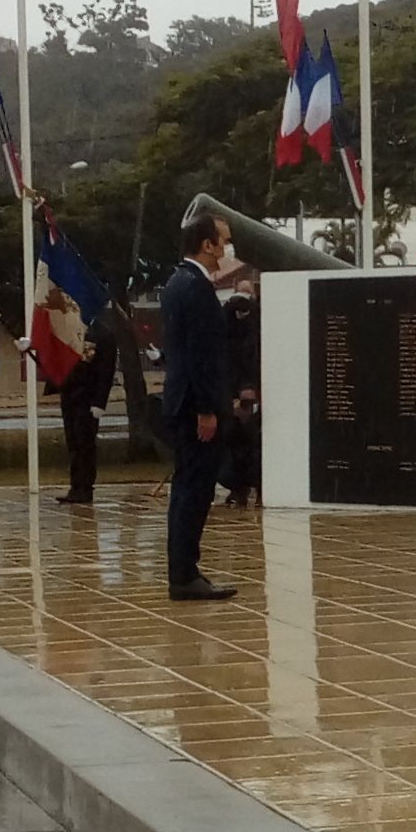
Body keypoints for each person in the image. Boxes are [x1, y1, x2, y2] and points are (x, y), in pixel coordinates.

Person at [157, 212, 238, 601]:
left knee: (187, 489)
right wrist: (207, 410)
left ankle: (185, 569)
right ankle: (184, 574)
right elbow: (201, 357)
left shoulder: (177, 282)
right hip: (195, 407)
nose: (226, 248)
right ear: (207, 244)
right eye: (223, 241)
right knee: (194, 491)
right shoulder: (196, 289)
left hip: (181, 402)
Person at [53, 299, 118, 506]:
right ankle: (75, 486)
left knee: (85, 444)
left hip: (89, 399)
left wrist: (100, 402)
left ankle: (86, 488)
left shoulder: (103, 334)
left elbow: (105, 372)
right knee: (73, 443)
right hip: (70, 394)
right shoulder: (69, 331)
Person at [219, 282, 262, 508]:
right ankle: (238, 487)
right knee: (235, 443)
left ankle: (253, 487)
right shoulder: (230, 320)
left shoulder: (256, 321)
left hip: (253, 390)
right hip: (234, 392)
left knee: (253, 443)